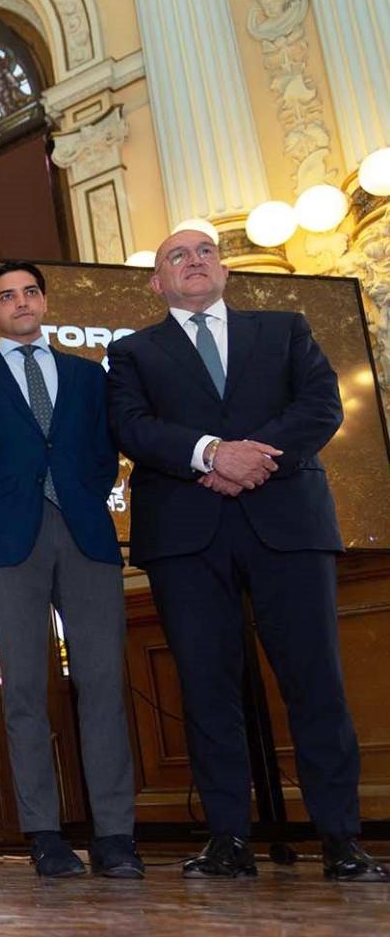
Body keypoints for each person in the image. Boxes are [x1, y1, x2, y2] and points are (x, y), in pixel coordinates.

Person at [107, 229, 386, 883]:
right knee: (207, 689)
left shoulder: (284, 329)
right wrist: (210, 453)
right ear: (156, 283)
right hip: (186, 535)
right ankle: (228, 840)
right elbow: (131, 427)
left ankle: (341, 840)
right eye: (175, 255)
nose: (193, 261)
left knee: (316, 683)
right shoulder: (131, 352)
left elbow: (320, 406)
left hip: (286, 522)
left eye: (204, 251)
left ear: (225, 269)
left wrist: (247, 457)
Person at [0, 262, 141, 878]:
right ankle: (45, 834)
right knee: (25, 691)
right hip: (11, 545)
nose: (21, 302)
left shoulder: (88, 375)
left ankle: (115, 836)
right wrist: (3, 517)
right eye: (7, 296)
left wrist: (76, 496)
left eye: (30, 292)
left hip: (86, 536)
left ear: (45, 301)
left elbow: (105, 456)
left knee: (103, 684)